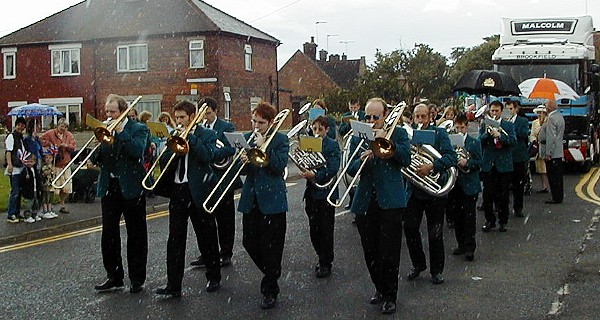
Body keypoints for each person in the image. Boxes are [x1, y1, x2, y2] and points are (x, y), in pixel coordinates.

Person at [348, 98, 410, 314]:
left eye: (376, 116)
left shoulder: (399, 133)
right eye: (368, 117)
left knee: (389, 251)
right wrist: (364, 158)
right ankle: (379, 288)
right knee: (370, 251)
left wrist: (387, 144)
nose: (372, 120)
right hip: (366, 200)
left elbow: (406, 159)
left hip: (390, 201)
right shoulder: (360, 136)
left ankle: (390, 295)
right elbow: (350, 167)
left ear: (386, 116)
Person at [155, 100, 221, 298]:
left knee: (206, 236)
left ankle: (214, 276)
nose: (179, 121)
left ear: (192, 117)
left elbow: (208, 156)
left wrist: (191, 139)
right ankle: (173, 285)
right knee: (175, 239)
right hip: (178, 191)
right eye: (177, 118)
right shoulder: (174, 135)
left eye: (182, 117)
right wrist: (173, 148)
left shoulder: (207, 134)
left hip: (199, 190)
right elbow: (164, 162)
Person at [93, 94, 149, 294]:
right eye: (107, 112)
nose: (109, 115)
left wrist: (121, 132)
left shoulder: (139, 128)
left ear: (123, 111)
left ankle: (136, 278)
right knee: (109, 234)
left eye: (113, 112)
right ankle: (114, 276)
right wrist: (99, 144)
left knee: (136, 234)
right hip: (110, 186)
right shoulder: (105, 127)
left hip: (132, 187)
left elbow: (137, 151)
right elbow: (100, 158)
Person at [237, 102, 289, 309]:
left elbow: (278, 167)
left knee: (272, 247)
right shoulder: (251, 139)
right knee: (249, 242)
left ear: (270, 122)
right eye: (254, 121)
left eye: (261, 122)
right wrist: (245, 161)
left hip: (273, 201)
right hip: (252, 199)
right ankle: (272, 272)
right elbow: (248, 172)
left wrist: (263, 146)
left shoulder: (281, 139)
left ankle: (270, 289)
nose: (256, 126)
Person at [403, 103, 457, 285]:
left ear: (430, 117)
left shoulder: (440, 134)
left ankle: (437, 270)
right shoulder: (408, 135)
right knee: (410, 228)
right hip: (414, 190)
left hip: (434, 191)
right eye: (417, 117)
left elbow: (451, 157)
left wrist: (431, 166)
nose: (420, 120)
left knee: (435, 232)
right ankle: (418, 264)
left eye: (423, 116)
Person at [190, 97, 240, 268]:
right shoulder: (199, 129)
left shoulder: (227, 126)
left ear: (215, 111)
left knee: (225, 218)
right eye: (203, 114)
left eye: (209, 113)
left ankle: (226, 252)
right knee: (206, 219)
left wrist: (212, 153)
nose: (205, 117)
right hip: (206, 178)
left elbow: (232, 148)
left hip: (223, 177)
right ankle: (208, 253)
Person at [302, 115, 341, 278]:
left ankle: (326, 262)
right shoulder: (309, 142)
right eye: (314, 128)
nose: (316, 132)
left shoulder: (332, 145)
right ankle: (320, 255)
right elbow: (304, 161)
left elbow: (333, 168)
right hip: (311, 192)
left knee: (326, 229)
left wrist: (316, 175)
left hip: (326, 192)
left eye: (320, 129)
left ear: (327, 130)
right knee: (314, 229)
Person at [447, 113, 482, 261]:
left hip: (469, 184)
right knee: (457, 216)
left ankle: (470, 247)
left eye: (462, 127)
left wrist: (467, 163)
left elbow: (479, 162)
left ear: (467, 126)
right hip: (455, 184)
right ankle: (461, 244)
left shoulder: (474, 142)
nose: (460, 130)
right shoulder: (450, 142)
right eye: (457, 127)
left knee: (469, 217)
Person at [479, 100, 516, 232]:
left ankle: (503, 221)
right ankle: (490, 220)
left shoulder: (508, 125)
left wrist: (500, 136)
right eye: (492, 111)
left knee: (503, 195)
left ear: (501, 112)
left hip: (503, 165)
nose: (494, 113)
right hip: (489, 164)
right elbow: (480, 142)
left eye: (497, 111)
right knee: (487, 195)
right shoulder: (485, 125)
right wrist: (487, 134)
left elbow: (513, 141)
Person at [41, 117, 76, 214]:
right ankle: (49, 206)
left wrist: (66, 146)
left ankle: (62, 205)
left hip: (66, 164)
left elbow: (73, 146)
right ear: (58, 126)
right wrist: (51, 145)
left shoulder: (69, 135)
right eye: (62, 126)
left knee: (66, 187)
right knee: (53, 187)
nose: (63, 128)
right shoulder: (50, 133)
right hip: (55, 164)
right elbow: (42, 140)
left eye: (65, 127)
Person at [337, 99, 365, 211]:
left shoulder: (364, 114)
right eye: (351, 107)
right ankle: (351, 199)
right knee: (348, 173)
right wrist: (350, 124)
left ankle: (358, 201)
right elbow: (341, 130)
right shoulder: (346, 116)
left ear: (358, 106)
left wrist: (359, 122)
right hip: (348, 143)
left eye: (355, 107)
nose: (353, 110)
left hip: (360, 142)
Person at [506, 100, 530, 217]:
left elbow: (525, 134)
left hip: (518, 157)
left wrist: (512, 129)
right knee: (504, 185)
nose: (509, 111)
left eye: (510, 109)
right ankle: (503, 207)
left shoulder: (523, 121)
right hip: (506, 157)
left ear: (516, 109)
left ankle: (518, 207)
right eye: (507, 109)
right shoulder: (503, 121)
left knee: (518, 185)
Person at [541, 100, 564, 204]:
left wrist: (548, 153)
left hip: (553, 153)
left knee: (553, 176)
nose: (545, 107)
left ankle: (555, 197)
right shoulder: (560, 116)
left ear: (549, 108)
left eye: (546, 106)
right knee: (558, 176)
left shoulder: (551, 118)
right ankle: (559, 196)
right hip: (559, 151)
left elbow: (551, 137)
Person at [5, 117, 27, 223]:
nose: (20, 127)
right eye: (19, 125)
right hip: (14, 168)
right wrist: (10, 165)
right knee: (15, 191)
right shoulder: (11, 136)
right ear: (15, 125)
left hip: (21, 167)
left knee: (19, 191)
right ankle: (11, 213)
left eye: (22, 125)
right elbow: (8, 152)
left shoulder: (21, 138)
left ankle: (17, 212)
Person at [530, 105, 549, 193]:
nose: (539, 115)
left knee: (548, 169)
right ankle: (544, 187)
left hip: (547, 147)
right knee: (541, 169)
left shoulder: (549, 121)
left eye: (541, 113)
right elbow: (532, 134)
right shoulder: (534, 123)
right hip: (538, 147)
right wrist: (534, 141)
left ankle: (550, 186)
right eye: (538, 113)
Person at [20, 156, 42, 223]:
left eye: (31, 162)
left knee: (36, 203)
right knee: (29, 204)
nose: (29, 163)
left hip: (35, 190)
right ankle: (27, 216)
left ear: (34, 162)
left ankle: (34, 215)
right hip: (28, 190)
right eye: (28, 161)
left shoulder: (35, 170)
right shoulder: (25, 171)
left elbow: (38, 179)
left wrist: (39, 188)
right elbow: (22, 181)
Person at [40, 150, 58, 219]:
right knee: (45, 198)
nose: (48, 159)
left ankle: (50, 209)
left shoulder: (53, 166)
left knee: (50, 197)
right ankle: (45, 210)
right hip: (45, 184)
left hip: (51, 184)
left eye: (50, 158)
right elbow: (45, 173)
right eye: (47, 158)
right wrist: (51, 170)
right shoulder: (44, 167)